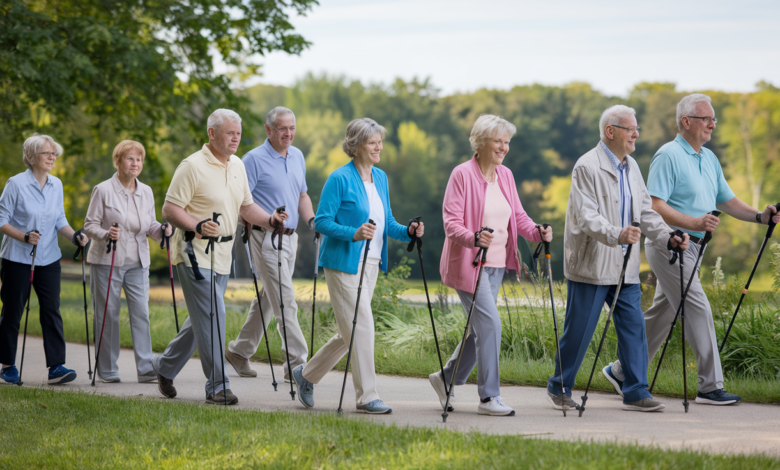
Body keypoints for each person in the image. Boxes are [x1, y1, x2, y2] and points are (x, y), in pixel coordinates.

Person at [607, 94, 780, 406]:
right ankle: (710, 387)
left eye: (713, 119)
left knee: (664, 312)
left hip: (695, 249)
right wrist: (694, 222)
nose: (712, 124)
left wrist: (759, 216)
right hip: (670, 244)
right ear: (686, 122)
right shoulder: (668, 155)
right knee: (698, 307)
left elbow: (726, 199)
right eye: (706, 119)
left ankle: (622, 370)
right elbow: (655, 204)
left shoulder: (708, 158)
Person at [549, 105, 688, 412]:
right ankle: (560, 385)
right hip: (593, 263)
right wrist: (616, 234)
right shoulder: (586, 166)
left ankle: (636, 390)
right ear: (610, 131)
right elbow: (586, 217)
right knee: (580, 330)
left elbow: (645, 212)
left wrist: (667, 236)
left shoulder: (632, 166)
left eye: (637, 128)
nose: (636, 134)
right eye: (630, 129)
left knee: (633, 326)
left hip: (625, 265)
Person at [152, 109, 287, 405]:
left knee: (202, 318)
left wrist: (270, 220)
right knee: (214, 313)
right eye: (230, 133)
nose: (236, 138)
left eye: (238, 133)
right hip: (193, 252)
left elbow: (246, 208)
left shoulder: (237, 165)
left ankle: (164, 366)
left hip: (223, 254)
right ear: (212, 134)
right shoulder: (191, 166)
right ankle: (217, 385)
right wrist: (196, 225)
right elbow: (170, 209)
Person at [291, 118, 420, 415]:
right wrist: (353, 232)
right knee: (362, 326)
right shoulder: (339, 178)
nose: (379, 147)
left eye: (380, 142)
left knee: (348, 330)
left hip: (371, 261)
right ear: (356, 145)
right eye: (373, 142)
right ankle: (367, 396)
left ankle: (306, 374)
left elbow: (386, 222)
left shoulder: (381, 178)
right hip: (342, 263)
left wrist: (409, 231)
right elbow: (322, 221)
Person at [431, 114, 549, 417]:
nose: (504, 147)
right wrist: (473, 237)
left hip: (497, 264)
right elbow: (450, 222)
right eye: (498, 141)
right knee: (491, 325)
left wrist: (537, 232)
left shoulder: (505, 176)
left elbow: (518, 217)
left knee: (478, 329)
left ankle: (446, 378)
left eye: (507, 142)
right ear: (480, 142)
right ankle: (488, 398)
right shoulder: (462, 174)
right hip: (469, 264)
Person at [225, 107, 314, 380]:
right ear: (268, 130)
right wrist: (268, 220)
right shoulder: (251, 160)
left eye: (292, 128)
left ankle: (239, 351)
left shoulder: (297, 155)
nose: (288, 134)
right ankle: (298, 366)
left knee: (269, 298)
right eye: (281, 128)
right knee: (285, 300)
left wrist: (312, 221)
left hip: (291, 238)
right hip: (265, 238)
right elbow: (240, 204)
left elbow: (302, 195)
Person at [0, 134, 88, 385]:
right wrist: (24, 236)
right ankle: (7, 366)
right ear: (31, 156)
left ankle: (56, 367)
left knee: (51, 309)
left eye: (54, 154)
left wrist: (76, 236)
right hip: (17, 258)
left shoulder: (56, 184)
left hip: (49, 258)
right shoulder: (15, 184)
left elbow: (60, 219)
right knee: (13, 311)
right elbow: (1, 219)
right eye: (46, 153)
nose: (52, 157)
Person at [84, 140, 173, 383]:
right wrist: (105, 234)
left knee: (141, 313)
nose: (135, 164)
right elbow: (90, 225)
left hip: (138, 262)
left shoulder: (146, 191)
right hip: (107, 260)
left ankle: (145, 368)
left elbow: (149, 225)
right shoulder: (102, 190)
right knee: (108, 314)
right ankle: (108, 369)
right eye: (129, 158)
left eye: (138, 159)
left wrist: (163, 230)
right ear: (118, 161)